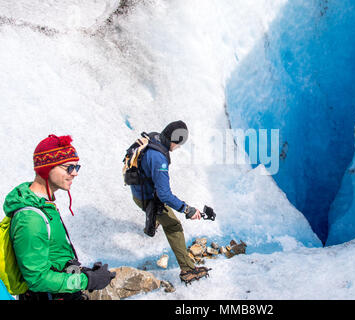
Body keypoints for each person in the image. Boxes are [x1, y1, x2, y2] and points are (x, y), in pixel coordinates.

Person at [2, 134, 115, 300]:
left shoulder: (45, 206)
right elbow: (38, 279)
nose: (75, 173)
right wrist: (86, 281)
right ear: (47, 168)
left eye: (77, 167)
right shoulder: (30, 218)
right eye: (69, 167)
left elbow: (54, 256)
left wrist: (82, 272)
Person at [129, 121, 210, 284]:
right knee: (173, 226)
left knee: (161, 215)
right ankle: (188, 269)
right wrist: (188, 209)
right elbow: (165, 195)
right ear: (175, 139)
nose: (179, 147)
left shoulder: (154, 139)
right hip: (148, 198)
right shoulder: (159, 159)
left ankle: (154, 220)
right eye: (180, 143)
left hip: (139, 192)